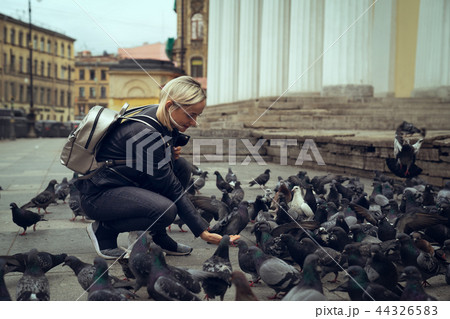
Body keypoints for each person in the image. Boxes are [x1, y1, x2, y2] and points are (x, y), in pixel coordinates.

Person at [75, 76, 240, 259]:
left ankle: (157, 236)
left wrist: (168, 153)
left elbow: (156, 166)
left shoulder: (160, 117)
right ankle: (104, 231)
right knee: (166, 209)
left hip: (123, 183)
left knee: (182, 167)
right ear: (170, 106)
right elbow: (170, 186)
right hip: (98, 197)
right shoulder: (146, 132)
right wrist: (203, 231)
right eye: (190, 115)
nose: (194, 122)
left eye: (197, 116)